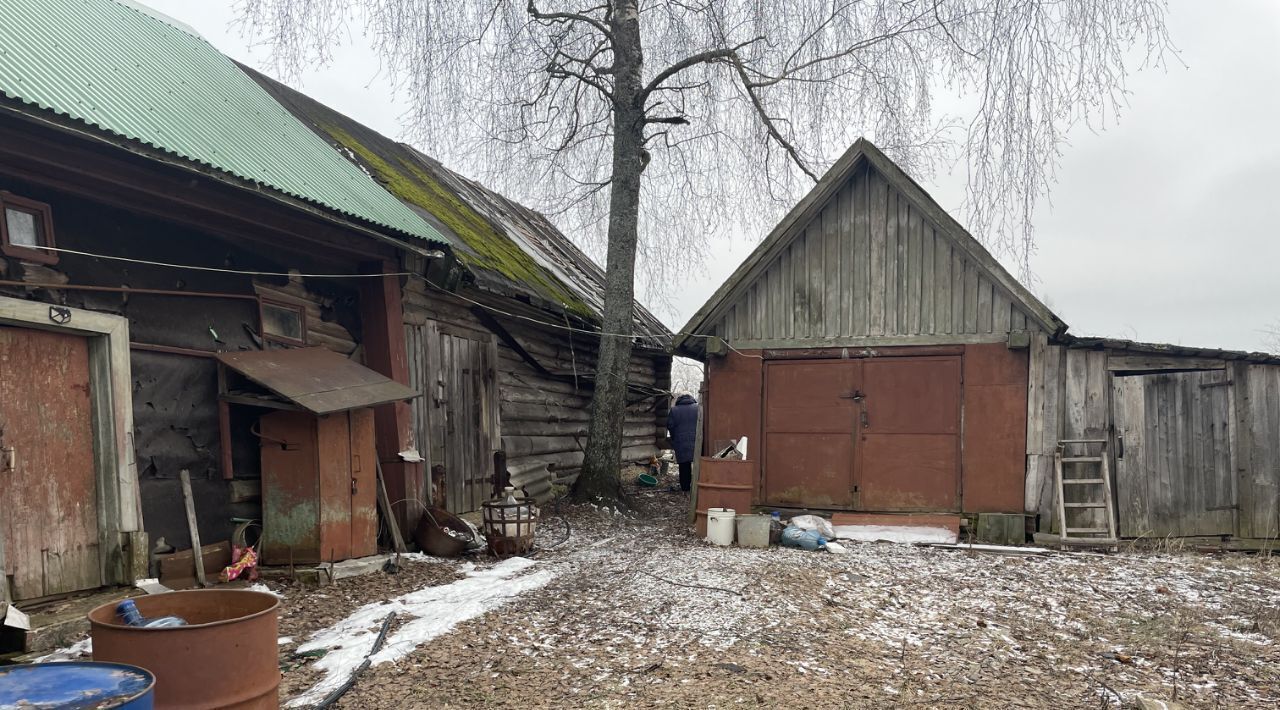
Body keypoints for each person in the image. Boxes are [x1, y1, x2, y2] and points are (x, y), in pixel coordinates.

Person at [666, 393, 700, 492]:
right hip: (696, 440)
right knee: (698, 464)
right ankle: (698, 486)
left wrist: (674, 437)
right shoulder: (698, 408)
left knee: (684, 465)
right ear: (691, 399)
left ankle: (685, 487)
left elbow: (670, 425)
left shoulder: (674, 410)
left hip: (680, 441)